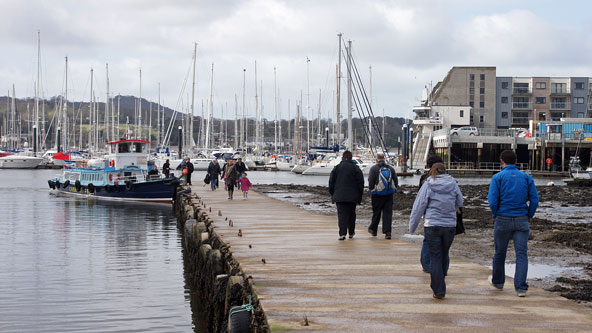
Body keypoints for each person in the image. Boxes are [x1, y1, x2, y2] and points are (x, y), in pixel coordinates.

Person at [487, 150, 539, 297]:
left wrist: (495, 213)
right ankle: (521, 288)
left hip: (502, 218)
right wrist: (529, 214)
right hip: (521, 218)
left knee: (500, 253)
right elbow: (534, 200)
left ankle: (498, 282)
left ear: (502, 161)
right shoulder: (526, 177)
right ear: (516, 161)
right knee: (522, 254)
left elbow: (492, 201)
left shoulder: (497, 177)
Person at [409, 163, 463, 299]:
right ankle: (441, 279)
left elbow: (419, 206)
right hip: (450, 225)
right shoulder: (453, 183)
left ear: (432, 171)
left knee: (435, 257)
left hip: (432, 224)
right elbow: (460, 202)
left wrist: (412, 227)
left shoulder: (428, 184)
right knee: (444, 254)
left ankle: (439, 289)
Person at [328, 150, 364, 240]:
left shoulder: (336, 168)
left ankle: (342, 233)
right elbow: (361, 183)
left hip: (339, 195)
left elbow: (331, 182)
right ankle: (351, 232)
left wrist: (332, 193)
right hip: (353, 196)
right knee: (352, 214)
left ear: (342, 158)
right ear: (351, 158)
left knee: (342, 215)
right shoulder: (356, 168)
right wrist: (360, 194)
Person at [419, 155, 445, 273]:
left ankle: (426, 265)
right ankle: (444, 267)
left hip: (430, 215)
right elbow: (459, 200)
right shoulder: (450, 180)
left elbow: (421, 199)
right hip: (447, 216)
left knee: (427, 240)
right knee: (444, 244)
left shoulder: (425, 179)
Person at [368, 153, 398, 240]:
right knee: (387, 214)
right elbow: (395, 180)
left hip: (377, 195)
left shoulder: (373, 168)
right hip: (389, 195)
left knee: (376, 212)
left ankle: (374, 230)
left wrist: (371, 190)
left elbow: (371, 181)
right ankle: (387, 232)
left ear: (377, 159)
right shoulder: (390, 168)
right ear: (384, 159)